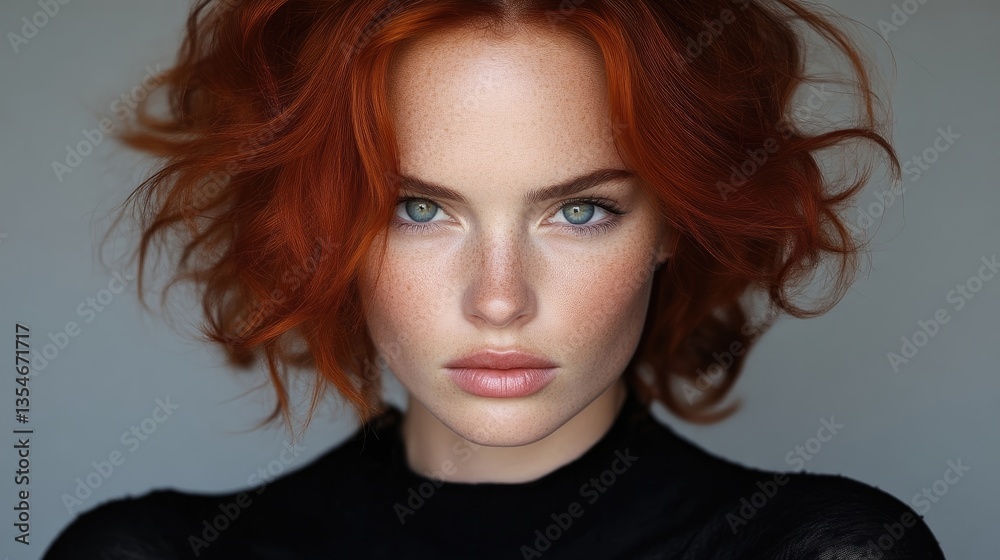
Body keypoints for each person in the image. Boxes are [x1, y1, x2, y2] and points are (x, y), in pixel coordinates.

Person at [44, 0, 947, 558]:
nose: (500, 299)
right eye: (418, 209)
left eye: (579, 211)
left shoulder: (825, 550)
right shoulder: (150, 553)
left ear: (673, 220)